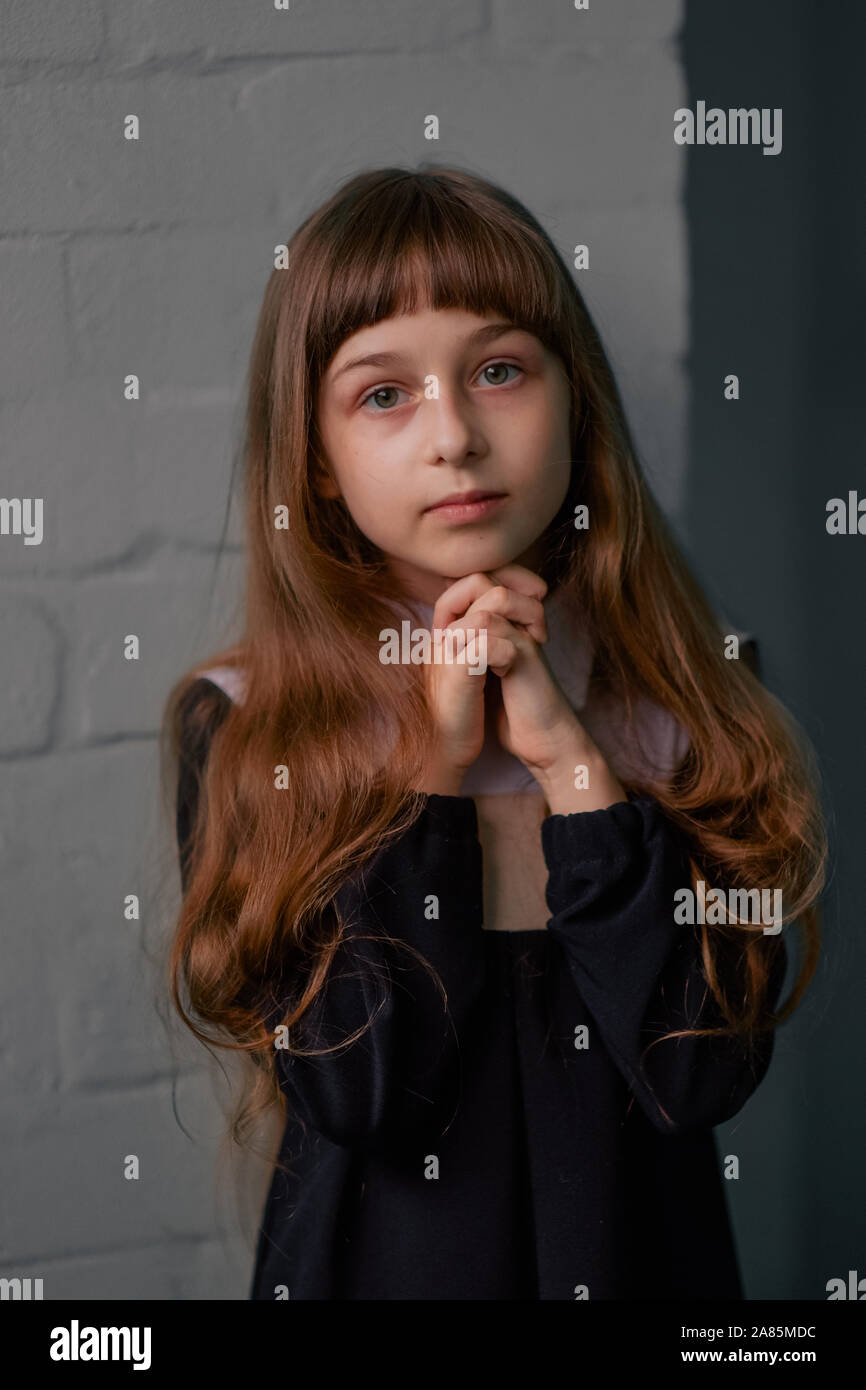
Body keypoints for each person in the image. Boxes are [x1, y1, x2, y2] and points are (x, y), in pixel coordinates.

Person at [165, 165, 826, 1300]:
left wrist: (573, 764)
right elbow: (364, 1094)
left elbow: (698, 1073)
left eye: (500, 371)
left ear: (574, 399)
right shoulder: (241, 722)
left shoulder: (690, 697)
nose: (456, 437)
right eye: (384, 395)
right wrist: (427, 769)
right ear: (317, 467)